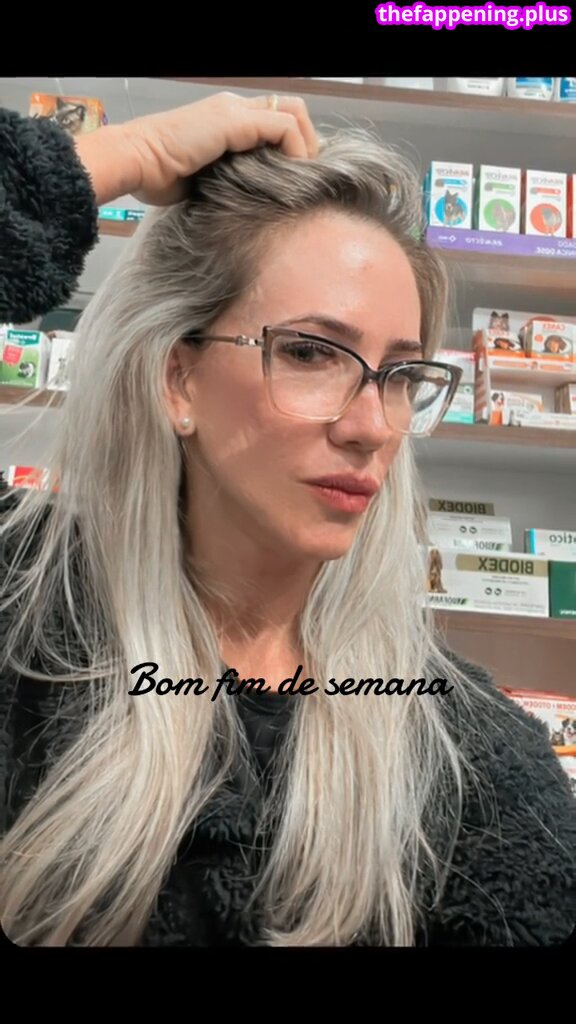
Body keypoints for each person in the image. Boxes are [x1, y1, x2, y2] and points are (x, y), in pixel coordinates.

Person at [0, 92, 574, 948]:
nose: (370, 427)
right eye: (310, 352)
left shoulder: (471, 762)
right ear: (178, 379)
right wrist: (119, 157)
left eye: (400, 375)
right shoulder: (23, 616)